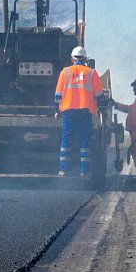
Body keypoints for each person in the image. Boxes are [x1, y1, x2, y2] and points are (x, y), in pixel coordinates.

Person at [54, 46, 104, 177]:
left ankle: (64, 169)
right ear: (85, 59)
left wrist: (56, 110)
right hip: (85, 111)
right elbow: (99, 95)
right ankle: (84, 170)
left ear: (72, 59)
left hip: (68, 111)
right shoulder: (92, 73)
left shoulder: (65, 72)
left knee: (66, 140)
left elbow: (58, 95)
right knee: (84, 141)